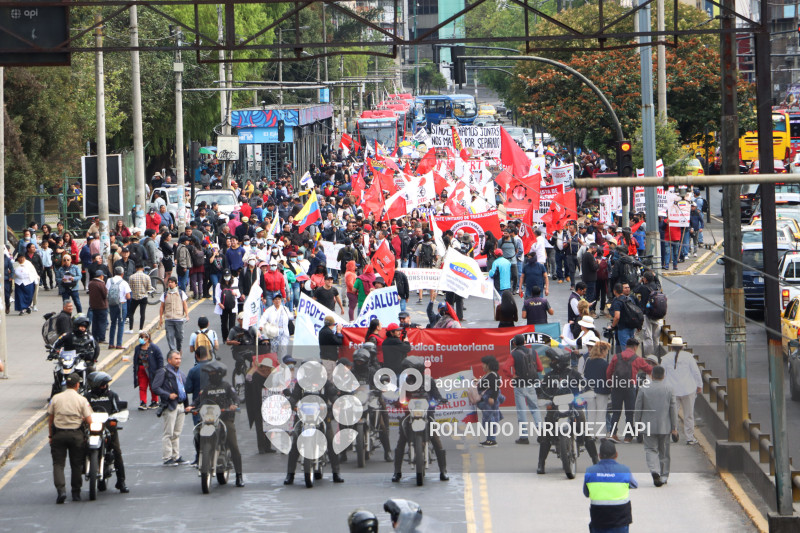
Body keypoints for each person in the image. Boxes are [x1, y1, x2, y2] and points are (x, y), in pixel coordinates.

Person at [537, 347, 599, 473]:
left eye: (553, 360)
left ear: (559, 361)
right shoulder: (549, 376)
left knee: (586, 431)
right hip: (555, 408)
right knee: (546, 433)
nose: (551, 362)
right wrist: (543, 398)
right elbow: (541, 391)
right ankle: (541, 463)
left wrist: (587, 392)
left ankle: (595, 460)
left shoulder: (574, 374)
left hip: (573, 406)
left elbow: (585, 384)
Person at [185, 361, 246, 487]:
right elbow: (197, 401)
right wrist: (191, 407)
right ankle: (201, 457)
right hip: (208, 420)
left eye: (213, 373)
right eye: (210, 373)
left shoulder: (227, 386)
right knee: (197, 434)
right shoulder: (206, 389)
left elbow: (236, 398)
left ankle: (239, 475)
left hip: (225, 419)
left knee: (233, 445)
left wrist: (234, 405)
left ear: (219, 374)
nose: (211, 375)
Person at [392, 356, 448, 482]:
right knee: (401, 441)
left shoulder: (429, 381)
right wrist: (398, 402)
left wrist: (439, 400)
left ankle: (443, 471)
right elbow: (401, 397)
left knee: (436, 440)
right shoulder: (406, 382)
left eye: (409, 369)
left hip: (427, 415)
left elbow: (436, 395)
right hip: (409, 415)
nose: (407, 371)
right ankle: (397, 472)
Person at [47, 372, 93, 503]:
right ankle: (76, 493)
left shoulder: (56, 398)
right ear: (77, 385)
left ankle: (61, 491)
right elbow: (90, 420)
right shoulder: (81, 400)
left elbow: (50, 420)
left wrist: (51, 435)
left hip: (59, 435)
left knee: (58, 464)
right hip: (76, 435)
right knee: (76, 464)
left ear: (66, 384)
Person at [84, 371, 129, 493]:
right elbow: (81, 411)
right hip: (91, 429)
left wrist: (116, 417)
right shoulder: (86, 398)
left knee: (117, 452)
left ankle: (121, 481)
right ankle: (76, 486)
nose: (104, 387)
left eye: (105, 384)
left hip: (109, 429)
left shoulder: (112, 396)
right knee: (78, 449)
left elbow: (120, 409)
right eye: (101, 385)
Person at [634, 365, 678, 487]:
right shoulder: (669, 388)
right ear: (664, 376)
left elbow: (638, 408)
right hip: (665, 425)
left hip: (647, 425)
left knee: (650, 449)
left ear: (652, 376)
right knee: (664, 452)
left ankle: (654, 471)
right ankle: (664, 476)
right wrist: (674, 428)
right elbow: (673, 409)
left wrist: (637, 425)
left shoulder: (643, 388)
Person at [583, 440, 638, 533]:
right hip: (620, 522)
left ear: (599, 455)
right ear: (616, 455)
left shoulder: (590, 471)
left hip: (598, 521)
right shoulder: (624, 470)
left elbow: (586, 493)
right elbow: (634, 485)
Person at [606, 338, 652, 444]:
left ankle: (613, 434)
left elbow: (609, 372)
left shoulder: (616, 357)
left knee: (616, 411)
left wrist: (610, 384)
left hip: (617, 387)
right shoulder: (637, 359)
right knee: (629, 413)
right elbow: (649, 370)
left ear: (626, 346)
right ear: (635, 347)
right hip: (630, 387)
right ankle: (628, 436)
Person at [660, 337, 703, 445]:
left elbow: (662, 374)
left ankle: (674, 430)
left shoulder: (666, 358)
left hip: (672, 390)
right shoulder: (688, 357)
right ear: (682, 347)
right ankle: (689, 437)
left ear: (671, 347)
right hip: (688, 389)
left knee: (672, 413)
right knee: (689, 414)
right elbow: (696, 372)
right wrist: (699, 385)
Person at [151, 350, 191, 466]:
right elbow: (155, 387)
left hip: (181, 405)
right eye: (176, 359)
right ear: (169, 360)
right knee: (168, 433)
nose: (178, 361)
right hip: (170, 406)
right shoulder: (163, 372)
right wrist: (168, 395)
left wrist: (187, 405)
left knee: (177, 433)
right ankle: (167, 457)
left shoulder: (181, 373)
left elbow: (185, 389)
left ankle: (176, 456)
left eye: (179, 359)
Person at [510, 334, 543, 444]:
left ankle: (524, 436)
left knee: (522, 410)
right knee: (534, 408)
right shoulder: (533, 352)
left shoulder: (513, 353)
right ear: (525, 342)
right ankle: (541, 432)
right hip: (531, 383)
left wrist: (512, 376)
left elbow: (505, 368)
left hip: (519, 385)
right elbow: (540, 368)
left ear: (514, 343)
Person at [133, 330, 164, 410]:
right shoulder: (138, 348)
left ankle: (155, 401)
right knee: (142, 386)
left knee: (152, 386)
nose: (142, 339)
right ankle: (143, 402)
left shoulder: (154, 348)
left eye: (143, 337)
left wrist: (160, 370)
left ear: (148, 338)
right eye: (141, 337)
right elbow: (135, 360)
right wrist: (135, 370)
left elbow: (160, 359)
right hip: (141, 370)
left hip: (151, 370)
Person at [477, 355, 503, 447]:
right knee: (488, 420)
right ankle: (490, 439)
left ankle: (491, 440)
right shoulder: (489, 374)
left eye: (484, 364)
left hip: (490, 400)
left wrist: (492, 397)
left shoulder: (493, 375)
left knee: (490, 420)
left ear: (489, 365)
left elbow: (495, 387)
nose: (482, 366)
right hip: (487, 400)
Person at [159, 277, 189, 353]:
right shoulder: (165, 294)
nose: (170, 284)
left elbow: (185, 305)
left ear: (175, 283)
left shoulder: (181, 293)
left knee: (179, 337)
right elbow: (162, 307)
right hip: (168, 319)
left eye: (172, 282)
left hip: (178, 318)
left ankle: (179, 349)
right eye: (169, 282)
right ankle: (173, 351)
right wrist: (161, 318)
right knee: (169, 336)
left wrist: (187, 315)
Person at [107, 266, 132, 350]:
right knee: (121, 324)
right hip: (121, 304)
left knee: (113, 323)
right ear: (122, 273)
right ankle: (119, 344)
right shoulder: (124, 282)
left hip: (112, 304)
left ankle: (111, 343)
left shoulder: (109, 281)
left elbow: (107, 292)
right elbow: (128, 296)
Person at [609, 283, 635, 353]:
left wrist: (612, 326)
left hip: (623, 328)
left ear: (614, 291)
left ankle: (627, 363)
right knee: (631, 348)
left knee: (625, 350)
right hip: (631, 327)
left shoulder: (617, 301)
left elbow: (617, 317)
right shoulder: (629, 299)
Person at [127, 262, 152, 333]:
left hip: (135, 297)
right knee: (142, 313)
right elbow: (149, 288)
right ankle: (141, 329)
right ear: (143, 269)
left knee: (131, 313)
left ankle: (131, 329)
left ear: (136, 269)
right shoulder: (147, 277)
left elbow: (130, 287)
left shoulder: (131, 277)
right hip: (144, 297)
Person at [87, 271, 109, 344]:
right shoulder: (101, 284)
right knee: (102, 322)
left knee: (95, 322)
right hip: (102, 306)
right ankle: (101, 338)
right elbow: (105, 295)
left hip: (93, 305)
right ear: (101, 276)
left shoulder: (91, 283)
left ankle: (95, 337)